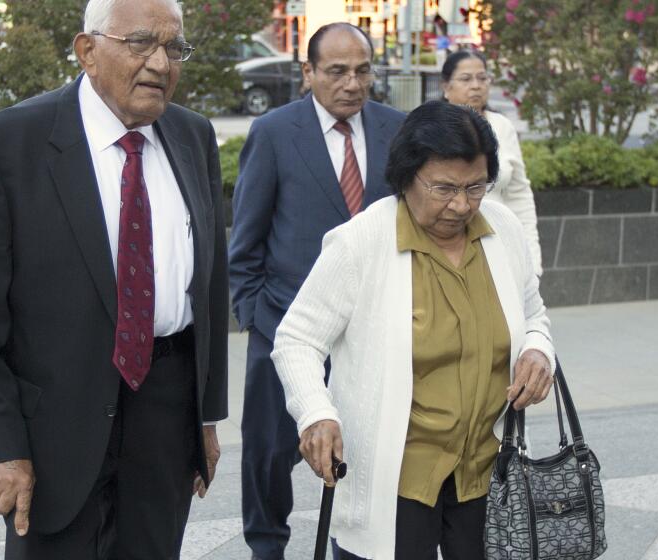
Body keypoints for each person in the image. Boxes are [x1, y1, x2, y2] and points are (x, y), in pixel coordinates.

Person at [0, 0, 228, 557]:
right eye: (141, 42)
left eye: (174, 48)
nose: (161, 64)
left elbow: (209, 290)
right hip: (53, 429)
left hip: (166, 416)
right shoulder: (3, 146)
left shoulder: (193, 138)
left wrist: (206, 417)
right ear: (87, 51)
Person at [271, 101, 556, 560]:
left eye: (476, 187)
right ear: (407, 177)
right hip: (396, 478)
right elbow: (297, 340)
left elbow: (533, 312)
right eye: (444, 188)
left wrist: (539, 352)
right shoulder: (361, 242)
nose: (461, 204)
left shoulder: (503, 230)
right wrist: (315, 413)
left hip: (485, 471)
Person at [229, 22, 406, 560]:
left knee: (370, 448)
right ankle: (267, 546)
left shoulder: (397, 130)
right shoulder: (275, 131)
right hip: (283, 325)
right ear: (308, 73)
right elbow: (246, 238)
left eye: (362, 70)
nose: (352, 84)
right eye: (336, 72)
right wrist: (256, 318)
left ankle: (354, 546)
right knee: (268, 453)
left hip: (371, 332)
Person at [441, 50, 543, 275]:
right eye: (466, 79)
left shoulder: (502, 126)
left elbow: (519, 195)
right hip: (447, 252)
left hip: (501, 250)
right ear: (446, 87)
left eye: (482, 78)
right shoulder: (432, 130)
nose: (476, 86)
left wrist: (532, 257)